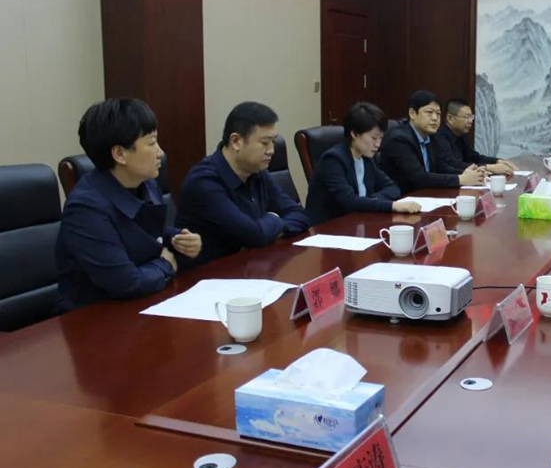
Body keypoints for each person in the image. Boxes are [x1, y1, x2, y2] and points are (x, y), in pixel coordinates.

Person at [56, 99, 202, 311]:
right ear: (120, 154)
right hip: (94, 317)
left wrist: (178, 239)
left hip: (143, 304)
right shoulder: (85, 209)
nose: (160, 152)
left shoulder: (146, 183)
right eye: (152, 143)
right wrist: (165, 264)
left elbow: (142, 233)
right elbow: (126, 282)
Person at [177, 102, 309, 266]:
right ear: (236, 141)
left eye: (273, 142)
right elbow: (253, 235)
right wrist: (274, 218)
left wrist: (277, 228)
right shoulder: (204, 182)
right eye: (265, 143)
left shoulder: (257, 173)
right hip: (207, 275)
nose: (271, 150)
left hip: (250, 266)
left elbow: (300, 214)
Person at [305, 102, 421, 224]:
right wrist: (392, 205)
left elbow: (393, 188)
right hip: (329, 227)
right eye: (374, 138)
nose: (378, 144)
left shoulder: (366, 158)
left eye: (381, 138)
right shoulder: (333, 160)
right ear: (354, 134)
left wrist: (369, 201)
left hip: (358, 222)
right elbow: (349, 201)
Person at [379, 90, 486, 193]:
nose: (435, 118)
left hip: (424, 195)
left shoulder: (432, 137)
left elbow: (441, 167)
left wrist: (469, 174)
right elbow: (418, 178)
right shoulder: (399, 140)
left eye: (438, 114)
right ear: (412, 113)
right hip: (401, 198)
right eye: (429, 112)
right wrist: (460, 179)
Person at [433, 98, 517, 175]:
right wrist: (488, 167)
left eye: (471, 117)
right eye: (466, 117)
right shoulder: (439, 136)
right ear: (450, 118)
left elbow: (474, 157)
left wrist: (497, 161)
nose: (470, 121)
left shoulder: (461, 135)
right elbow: (451, 164)